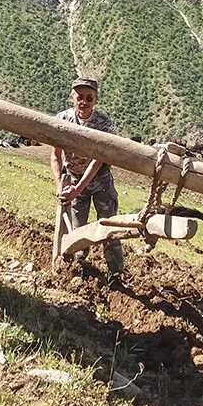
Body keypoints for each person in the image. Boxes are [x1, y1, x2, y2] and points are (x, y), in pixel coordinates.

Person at [50, 77, 124, 278]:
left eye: (89, 98)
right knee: (77, 230)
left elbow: (97, 161)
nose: (84, 102)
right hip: (73, 179)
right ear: (71, 97)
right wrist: (60, 185)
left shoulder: (104, 123)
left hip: (100, 182)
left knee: (110, 227)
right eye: (80, 97)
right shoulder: (62, 119)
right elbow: (56, 155)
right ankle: (80, 269)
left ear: (96, 100)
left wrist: (77, 190)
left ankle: (116, 274)